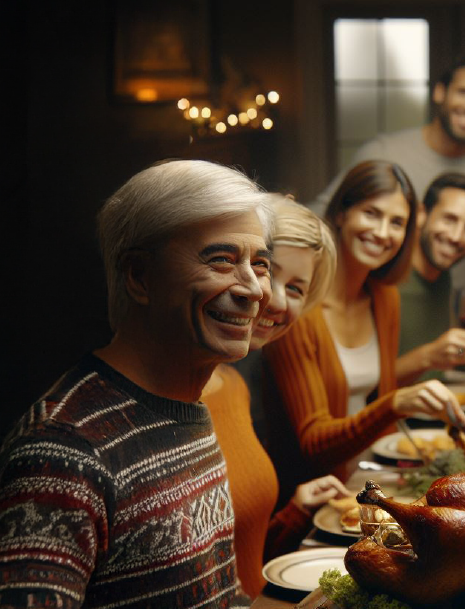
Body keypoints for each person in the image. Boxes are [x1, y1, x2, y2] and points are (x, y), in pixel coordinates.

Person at [0, 160, 272, 607]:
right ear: (139, 277)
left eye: (259, 264)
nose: (254, 290)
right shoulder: (61, 453)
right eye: (222, 260)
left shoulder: (182, 403)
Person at [264, 161, 465, 485]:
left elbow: (384, 417)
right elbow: (313, 444)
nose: (383, 232)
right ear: (342, 214)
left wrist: (399, 476)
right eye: (371, 213)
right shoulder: (300, 305)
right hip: (318, 492)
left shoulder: (385, 297)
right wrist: (395, 404)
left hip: (375, 477)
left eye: (397, 222)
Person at [202, 195, 351, 598]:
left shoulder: (232, 386)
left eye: (297, 289)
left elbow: (241, 563)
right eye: (267, 270)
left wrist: (296, 512)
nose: (278, 299)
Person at [313, 55, 465, 294]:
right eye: (464, 92)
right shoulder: (384, 152)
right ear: (440, 92)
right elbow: (325, 214)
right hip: (390, 292)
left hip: (459, 298)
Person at [396, 173, 465, 384]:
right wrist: (428, 356)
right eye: (449, 219)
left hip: (436, 400)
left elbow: (441, 356)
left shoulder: (442, 276)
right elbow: (367, 383)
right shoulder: (389, 278)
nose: (456, 237)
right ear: (421, 214)